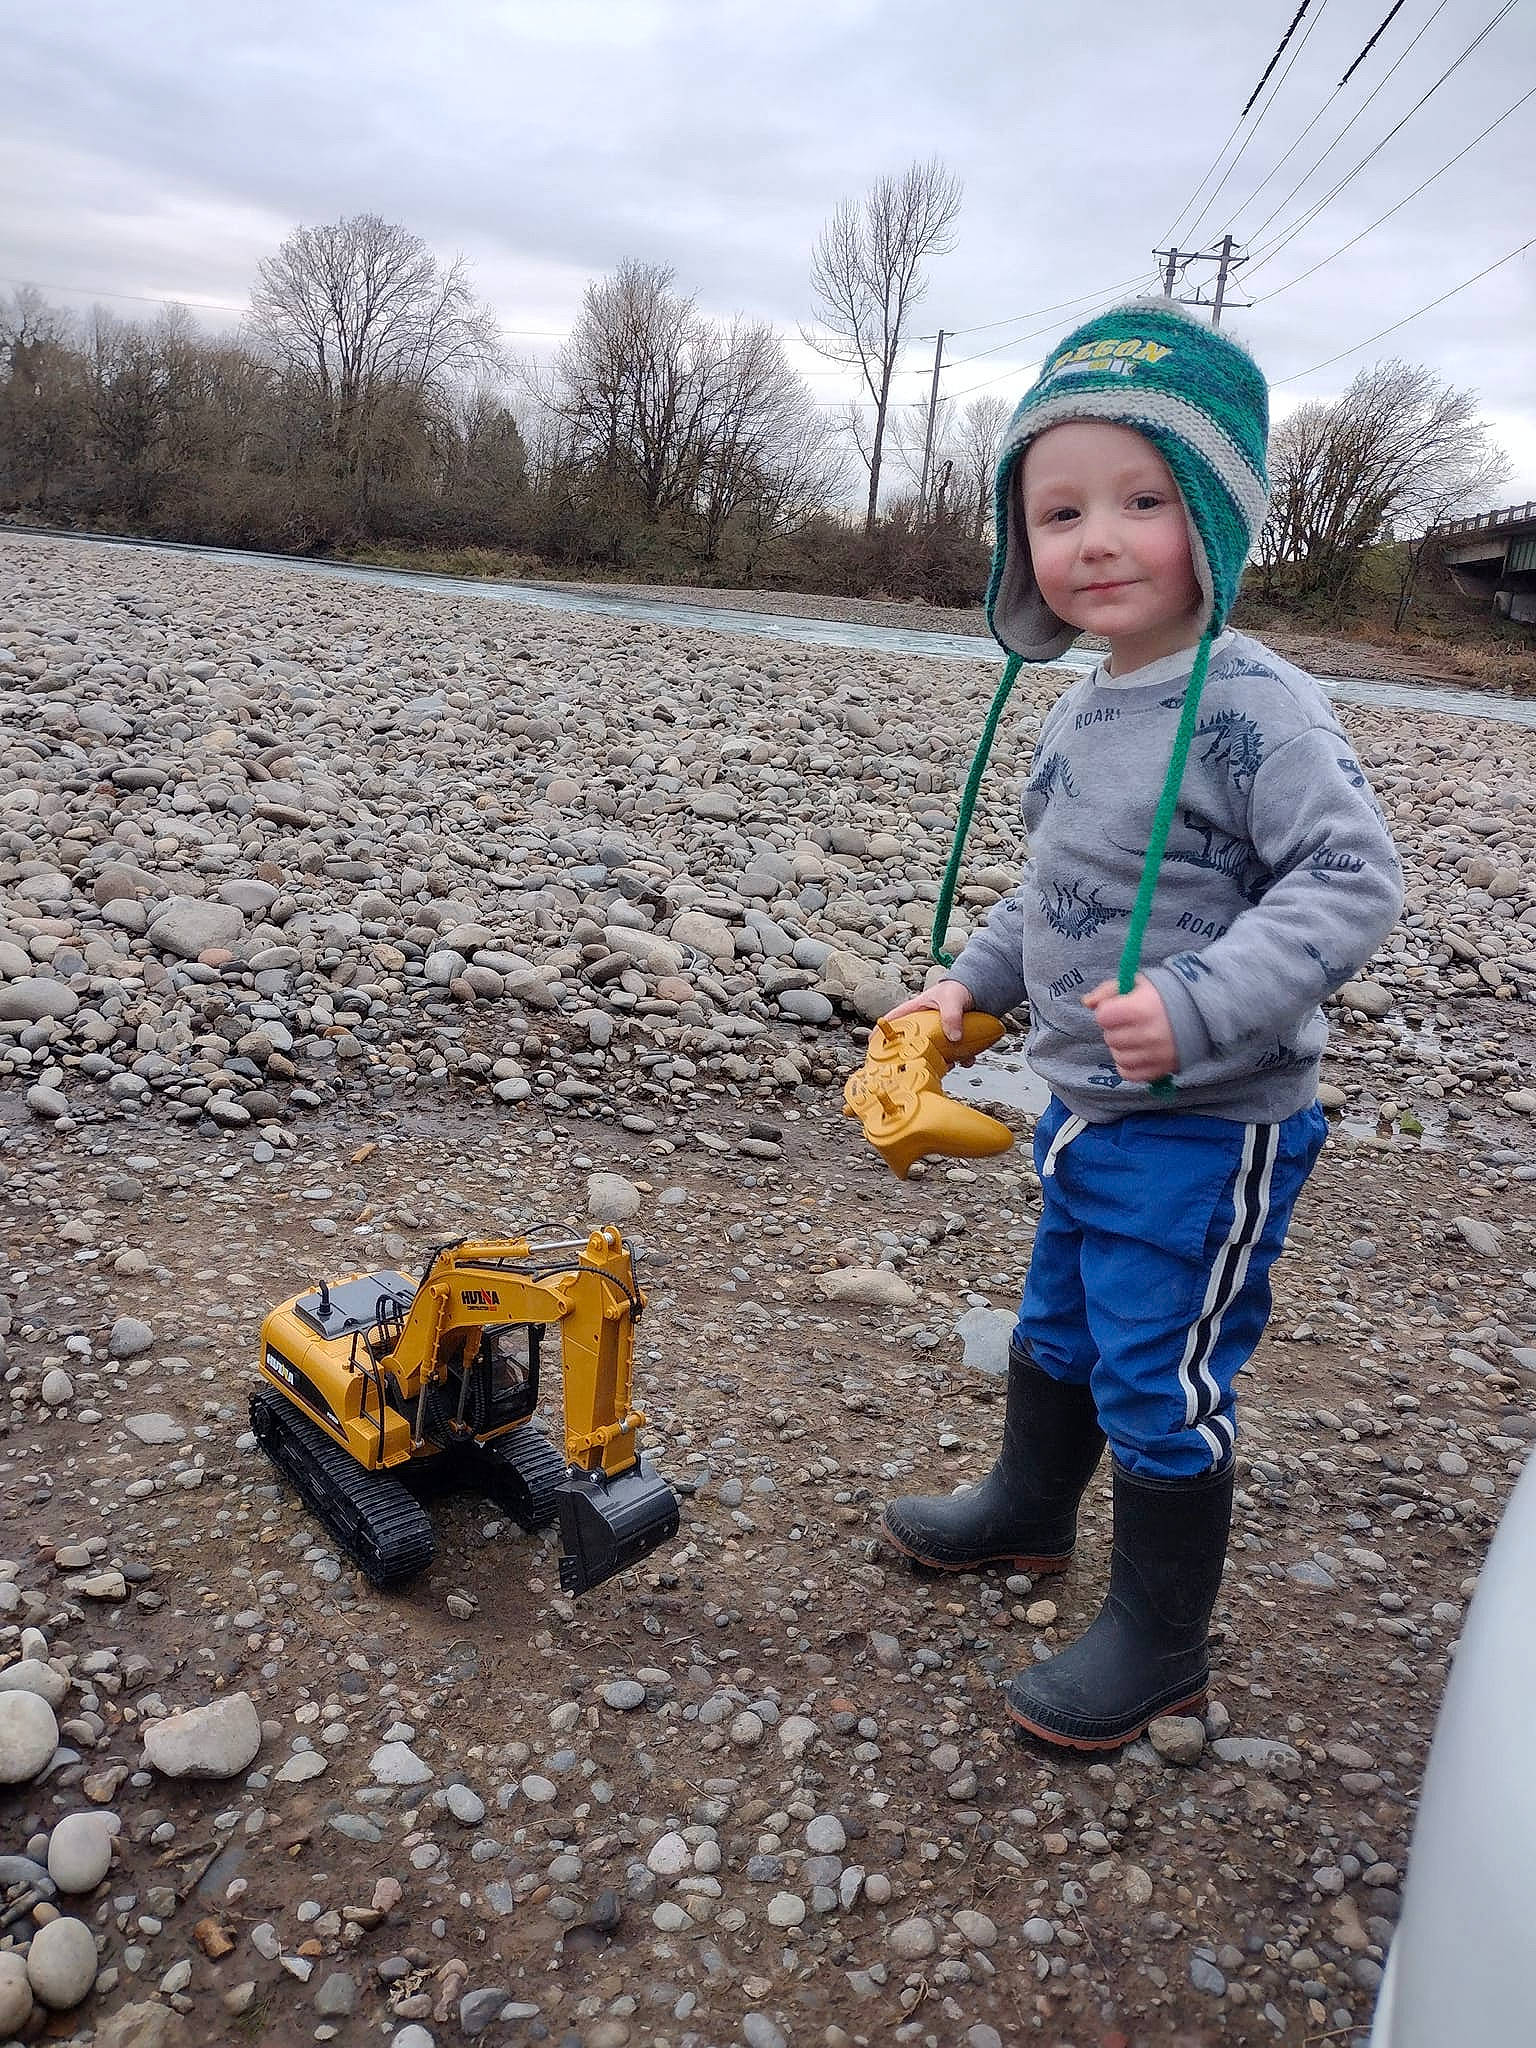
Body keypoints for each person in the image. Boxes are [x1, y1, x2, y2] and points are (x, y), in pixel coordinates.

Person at [878, 299, 1404, 1750]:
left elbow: (1355, 881)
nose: (1096, 538)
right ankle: (1027, 1510)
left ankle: (1163, 1642)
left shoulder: (1258, 708)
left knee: (1160, 1371)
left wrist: (1194, 1004)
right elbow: (1056, 891)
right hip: (1084, 1113)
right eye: (1060, 511)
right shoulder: (1087, 706)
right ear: (1019, 540)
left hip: (1209, 1123)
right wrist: (969, 987)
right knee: (1059, 1323)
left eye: (1143, 500)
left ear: (1219, 523)